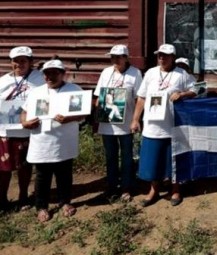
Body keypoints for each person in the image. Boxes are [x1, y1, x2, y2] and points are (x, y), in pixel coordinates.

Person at [131, 44, 196, 207]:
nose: (162, 58)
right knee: (153, 160)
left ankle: (175, 189)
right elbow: (141, 97)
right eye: (159, 55)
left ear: (173, 57)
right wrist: (135, 119)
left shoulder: (181, 74)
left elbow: (197, 89)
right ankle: (154, 190)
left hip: (172, 126)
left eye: (165, 55)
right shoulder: (151, 73)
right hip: (152, 125)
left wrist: (182, 94)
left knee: (173, 160)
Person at [21, 59, 84, 222]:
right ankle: (42, 207)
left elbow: (83, 114)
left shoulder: (73, 90)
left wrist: (69, 118)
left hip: (64, 142)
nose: (50, 76)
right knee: (42, 176)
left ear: (63, 74)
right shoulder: (36, 92)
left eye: (54, 73)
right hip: (42, 141)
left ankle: (65, 202)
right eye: (47, 73)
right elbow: (24, 111)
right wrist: (25, 123)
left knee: (64, 174)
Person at [93, 44, 142, 202]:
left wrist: (136, 119)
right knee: (110, 156)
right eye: (112, 57)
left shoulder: (135, 73)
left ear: (126, 58)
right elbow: (98, 96)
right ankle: (112, 186)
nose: (114, 60)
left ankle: (127, 187)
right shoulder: (106, 72)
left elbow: (138, 98)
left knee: (127, 156)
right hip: (107, 122)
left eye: (118, 57)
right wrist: (96, 115)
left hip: (126, 123)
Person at [0, 46, 45, 211]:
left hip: (29, 130)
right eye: (16, 61)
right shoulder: (3, 81)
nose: (20, 64)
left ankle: (24, 196)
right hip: (5, 131)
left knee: (25, 166)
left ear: (30, 62)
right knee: (3, 168)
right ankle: (2, 198)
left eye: (24, 60)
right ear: (11, 63)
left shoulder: (39, 78)